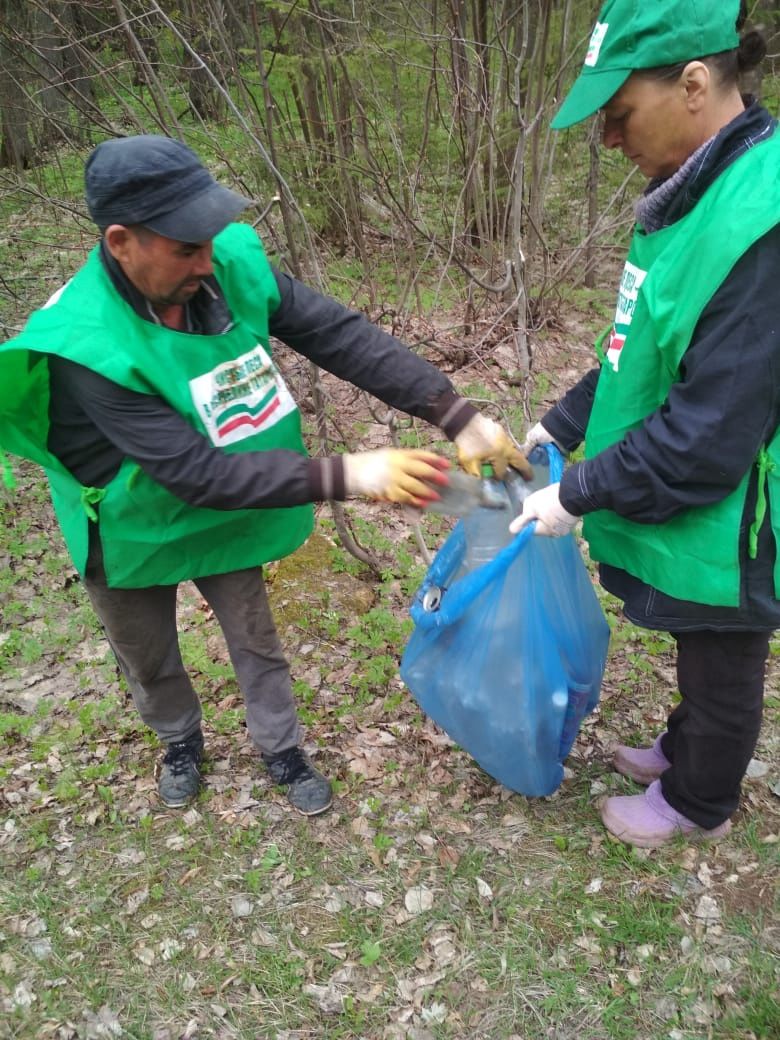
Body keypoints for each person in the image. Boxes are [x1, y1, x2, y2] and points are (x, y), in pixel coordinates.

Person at [0, 134, 530, 816]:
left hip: (231, 496)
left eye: (211, 239)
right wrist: (351, 473)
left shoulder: (223, 266)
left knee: (254, 636)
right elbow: (194, 473)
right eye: (186, 247)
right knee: (148, 654)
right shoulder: (85, 343)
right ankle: (180, 741)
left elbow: (337, 334)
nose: (207, 260)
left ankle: (280, 746)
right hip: (130, 521)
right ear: (122, 240)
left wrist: (457, 415)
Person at [513, 0, 779, 847]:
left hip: (749, 507)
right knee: (697, 637)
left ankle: (701, 801)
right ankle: (683, 745)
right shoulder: (694, 198)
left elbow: (707, 432)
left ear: (695, 84)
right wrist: (560, 425)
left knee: (724, 647)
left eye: (619, 116)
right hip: (711, 493)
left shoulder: (761, 218)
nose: (610, 141)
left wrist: (577, 494)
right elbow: (644, 350)